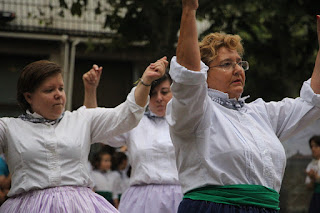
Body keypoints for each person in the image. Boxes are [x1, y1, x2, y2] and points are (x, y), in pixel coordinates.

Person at [165, 0, 320, 212]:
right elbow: (187, 76)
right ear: (204, 74)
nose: (238, 69)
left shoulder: (260, 113)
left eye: (240, 63)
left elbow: (312, 103)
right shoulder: (194, 109)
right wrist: (189, 11)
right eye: (227, 64)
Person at [0, 57, 166, 212]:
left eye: (61, 88)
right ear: (28, 96)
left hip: (80, 206)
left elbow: (126, 115)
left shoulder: (81, 119)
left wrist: (145, 82)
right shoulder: (9, 128)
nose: (58, 94)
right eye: (49, 90)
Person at [84, 57, 183, 213]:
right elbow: (96, 127)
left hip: (179, 197)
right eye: (152, 94)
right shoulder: (134, 122)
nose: (158, 98)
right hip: (141, 199)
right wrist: (90, 90)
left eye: (164, 92)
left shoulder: (185, 123)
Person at [305, 135, 320, 213]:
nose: (313, 149)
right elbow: (309, 187)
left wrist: (317, 177)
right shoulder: (311, 165)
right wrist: (313, 179)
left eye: (316, 146)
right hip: (317, 197)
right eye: (311, 147)